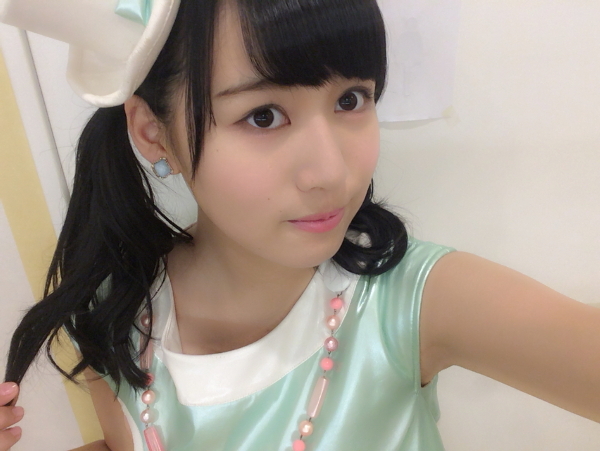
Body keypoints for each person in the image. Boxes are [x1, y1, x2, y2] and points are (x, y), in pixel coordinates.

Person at [1, 0, 600, 450]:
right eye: (264, 115)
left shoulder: (417, 301)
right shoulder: (113, 310)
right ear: (152, 132)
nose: (332, 171)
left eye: (351, 100)